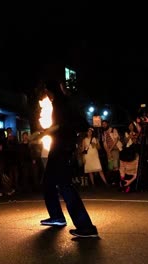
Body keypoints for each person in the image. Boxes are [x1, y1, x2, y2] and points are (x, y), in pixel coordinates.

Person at [37, 80, 98, 238]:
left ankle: (86, 226)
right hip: (60, 147)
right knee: (48, 182)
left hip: (61, 148)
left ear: (50, 90)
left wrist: (44, 133)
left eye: (46, 91)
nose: (46, 95)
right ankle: (57, 216)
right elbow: (81, 124)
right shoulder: (65, 103)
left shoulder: (61, 103)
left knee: (64, 185)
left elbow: (63, 125)